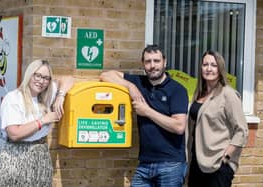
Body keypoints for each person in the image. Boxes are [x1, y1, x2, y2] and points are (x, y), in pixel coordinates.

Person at [100, 44, 189, 187]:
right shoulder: (139, 82)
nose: (152, 65)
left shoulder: (177, 90)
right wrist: (130, 87)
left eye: (156, 61)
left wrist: (146, 111)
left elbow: (179, 126)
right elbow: (106, 75)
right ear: (143, 64)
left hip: (171, 164)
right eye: (148, 61)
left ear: (164, 62)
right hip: (145, 163)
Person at [0, 59, 74, 187]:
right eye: (38, 75)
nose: (41, 81)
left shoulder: (47, 94)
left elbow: (69, 79)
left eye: (46, 78)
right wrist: (42, 121)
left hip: (40, 155)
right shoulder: (14, 98)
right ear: (29, 74)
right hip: (16, 157)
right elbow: (14, 133)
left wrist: (60, 96)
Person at [186, 50, 249, 187]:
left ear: (220, 69)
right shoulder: (199, 94)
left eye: (213, 65)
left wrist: (226, 158)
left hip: (218, 165)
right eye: (205, 64)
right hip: (197, 162)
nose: (209, 68)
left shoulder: (228, 94)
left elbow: (242, 130)